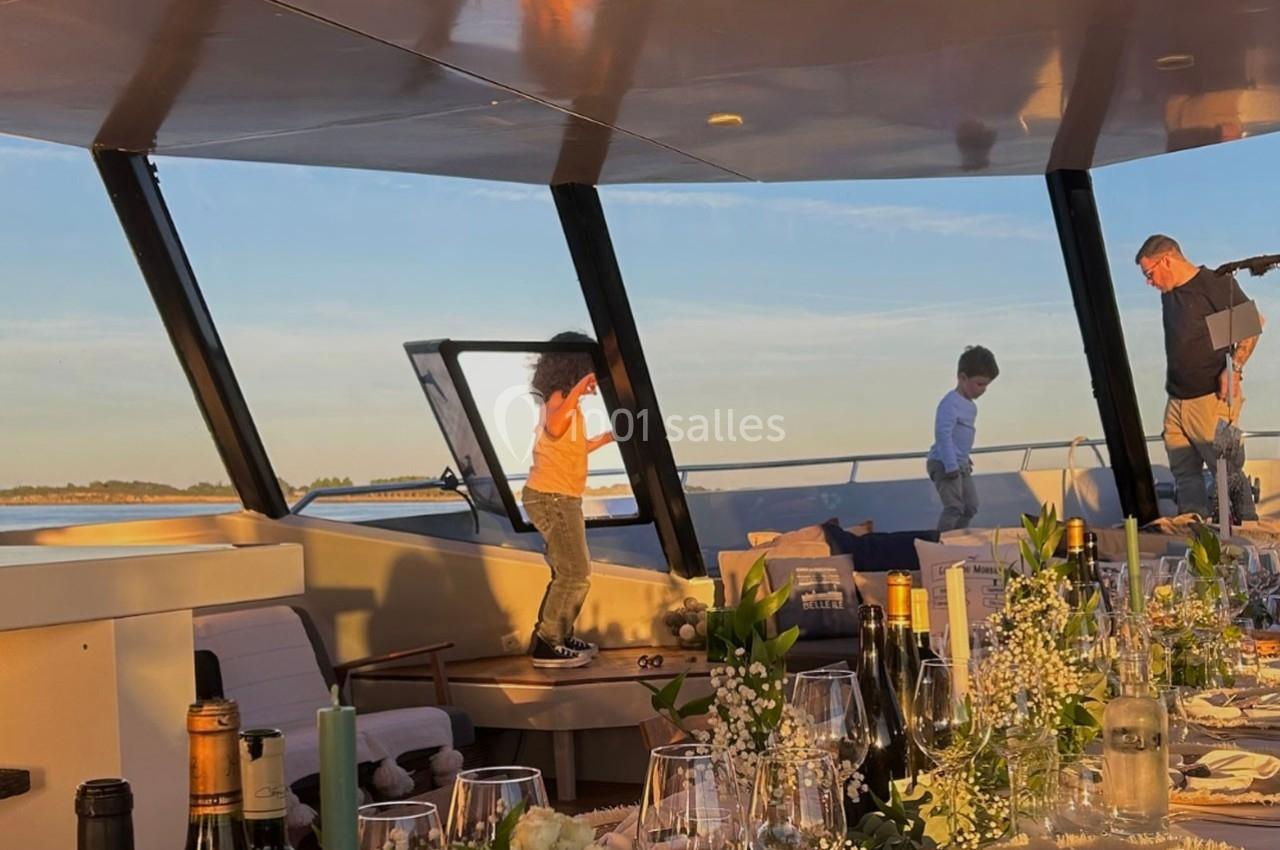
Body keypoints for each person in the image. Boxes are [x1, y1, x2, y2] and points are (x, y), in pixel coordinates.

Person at [1136, 234, 1263, 519]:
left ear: (1166, 260)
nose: (1149, 282)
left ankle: (1247, 534)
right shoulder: (1170, 294)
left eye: (1149, 273)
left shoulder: (1213, 284)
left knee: (1226, 471)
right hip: (1177, 401)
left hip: (1210, 399)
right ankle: (1192, 533)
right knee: (1184, 474)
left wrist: (1235, 370)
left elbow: (1251, 326)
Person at [523, 332, 616, 668]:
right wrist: (579, 388)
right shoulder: (559, 399)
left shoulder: (566, 405)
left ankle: (560, 634)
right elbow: (557, 426)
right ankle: (548, 642)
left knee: (572, 570)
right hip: (553, 498)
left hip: (562, 497)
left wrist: (605, 439)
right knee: (575, 572)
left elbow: (569, 445)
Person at [926, 346, 999, 532]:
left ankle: (957, 536)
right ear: (962, 377)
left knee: (971, 506)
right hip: (944, 463)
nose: (983, 390)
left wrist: (964, 457)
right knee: (954, 507)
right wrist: (951, 464)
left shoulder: (970, 406)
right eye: (979, 384)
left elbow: (961, 437)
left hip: (960, 463)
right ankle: (942, 544)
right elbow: (943, 434)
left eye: (986, 385)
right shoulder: (950, 403)